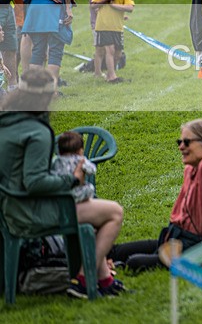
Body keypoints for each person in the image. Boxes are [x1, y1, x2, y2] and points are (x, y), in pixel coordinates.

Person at [0, 68, 125, 298]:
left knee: (93, 214)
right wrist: (72, 179)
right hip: (30, 212)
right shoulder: (37, 131)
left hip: (8, 208)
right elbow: (35, 182)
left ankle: (104, 280)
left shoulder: (6, 123)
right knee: (114, 212)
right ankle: (83, 279)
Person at [107, 119, 202, 272]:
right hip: (177, 239)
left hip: (199, 247)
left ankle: (116, 267)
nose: (181, 147)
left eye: (187, 142)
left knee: (135, 262)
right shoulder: (191, 169)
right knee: (116, 251)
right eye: (180, 142)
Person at [91, 0, 134, 83]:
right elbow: (93, 5)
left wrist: (114, 5)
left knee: (117, 53)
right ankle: (111, 76)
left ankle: (111, 71)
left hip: (117, 27)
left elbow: (130, 8)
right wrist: (106, 0)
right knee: (109, 50)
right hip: (103, 25)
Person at [53, 131, 97, 203]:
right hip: (76, 194)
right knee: (90, 187)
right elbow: (92, 170)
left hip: (60, 195)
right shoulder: (79, 159)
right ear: (80, 151)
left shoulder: (56, 160)